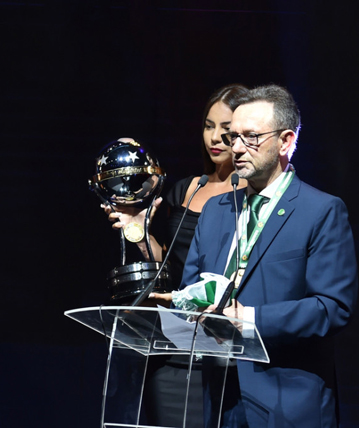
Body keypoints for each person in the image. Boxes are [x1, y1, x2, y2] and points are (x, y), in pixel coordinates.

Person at [178, 84, 358, 427]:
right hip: (221, 401)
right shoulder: (216, 210)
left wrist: (251, 319)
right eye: (234, 138)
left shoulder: (320, 211)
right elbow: (193, 287)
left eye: (251, 137)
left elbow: (333, 307)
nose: (238, 149)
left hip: (286, 401)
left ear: (286, 141)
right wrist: (185, 305)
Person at [103, 84, 249, 428]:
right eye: (208, 126)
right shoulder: (188, 188)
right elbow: (167, 266)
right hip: (172, 349)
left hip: (224, 351)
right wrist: (137, 230)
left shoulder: (254, 196)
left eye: (226, 130)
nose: (214, 138)